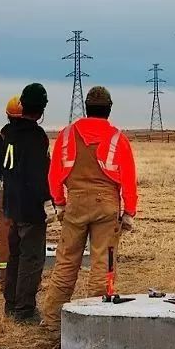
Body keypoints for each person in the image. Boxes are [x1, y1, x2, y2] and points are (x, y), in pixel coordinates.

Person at [43, 86, 137, 330]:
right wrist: (129, 212)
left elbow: (54, 176)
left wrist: (61, 203)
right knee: (103, 265)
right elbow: (128, 178)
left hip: (74, 204)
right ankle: (96, 321)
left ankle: (53, 320)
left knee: (65, 263)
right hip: (107, 207)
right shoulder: (117, 138)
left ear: (86, 107)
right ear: (109, 109)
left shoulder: (66, 135)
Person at [0, 83, 53, 323]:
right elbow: (36, 174)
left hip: (12, 204)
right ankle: (25, 310)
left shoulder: (10, 134)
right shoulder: (35, 137)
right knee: (31, 258)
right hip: (31, 208)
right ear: (42, 109)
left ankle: (11, 303)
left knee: (15, 255)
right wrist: (47, 201)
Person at [0, 96, 23, 287]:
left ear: (7, 115)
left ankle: (4, 276)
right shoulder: (32, 141)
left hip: (4, 195)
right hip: (26, 196)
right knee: (27, 235)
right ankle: (23, 278)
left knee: (6, 236)